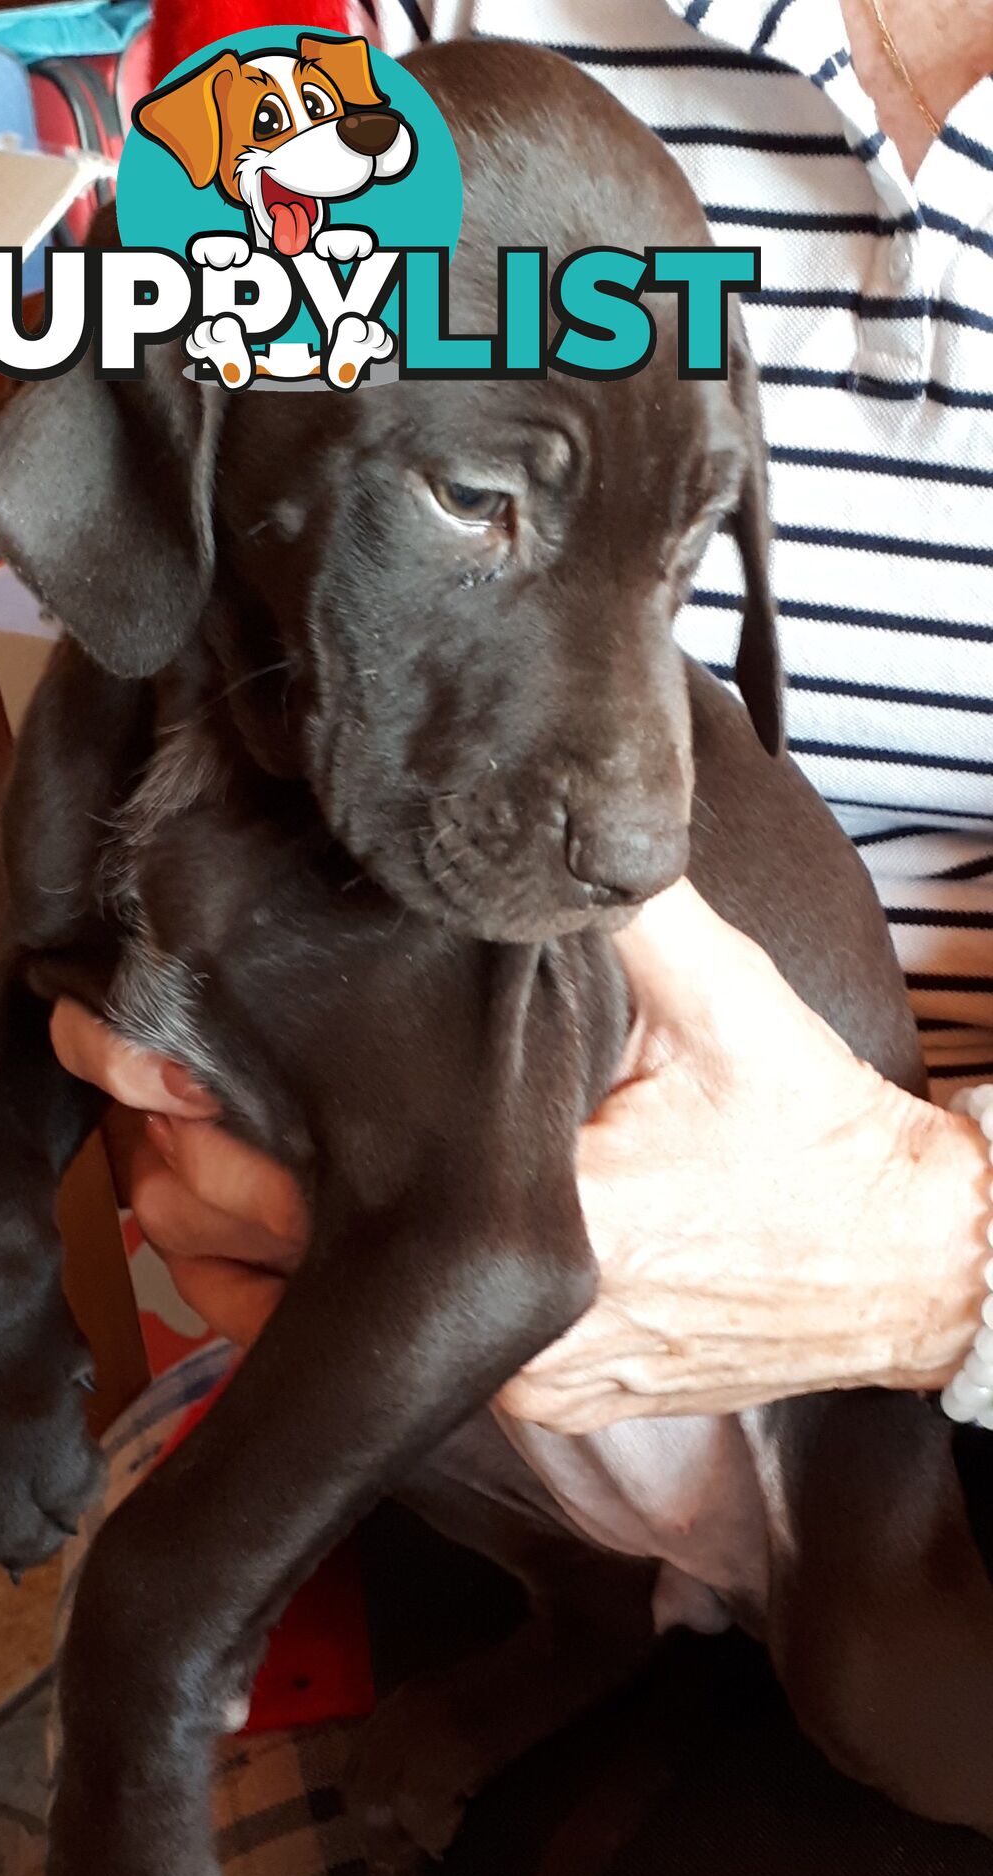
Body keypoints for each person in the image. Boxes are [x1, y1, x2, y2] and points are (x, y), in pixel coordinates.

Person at [51, 0, 993, 1433]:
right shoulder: (390, 38)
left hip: (905, 1425)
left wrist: (934, 1264)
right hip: (403, 1333)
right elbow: (170, 542)